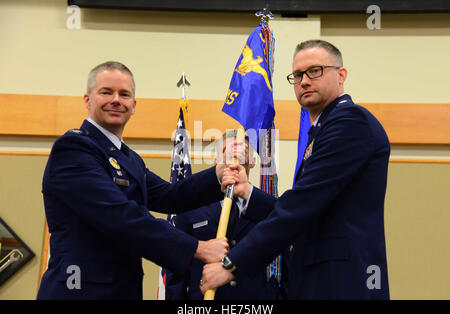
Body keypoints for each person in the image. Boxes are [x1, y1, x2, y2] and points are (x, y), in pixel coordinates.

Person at [201, 40, 391, 300]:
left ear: (341, 75)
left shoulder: (349, 123)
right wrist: (248, 193)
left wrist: (232, 264)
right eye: (298, 75)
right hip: (319, 282)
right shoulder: (324, 129)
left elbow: (301, 206)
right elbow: (312, 212)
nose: (304, 81)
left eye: (315, 71)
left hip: (342, 283)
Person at [37, 61, 233, 300]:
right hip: (78, 289)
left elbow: (170, 196)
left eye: (124, 94)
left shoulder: (128, 158)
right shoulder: (73, 150)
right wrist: (197, 248)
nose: (116, 100)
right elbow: (120, 216)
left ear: (133, 105)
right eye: (106, 92)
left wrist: (218, 174)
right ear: (88, 100)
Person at [165, 130, 285, 300]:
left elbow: (285, 261)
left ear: (252, 162)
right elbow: (177, 270)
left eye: (241, 152)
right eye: (227, 153)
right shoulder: (191, 208)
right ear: (216, 162)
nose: (234, 158)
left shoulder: (269, 208)